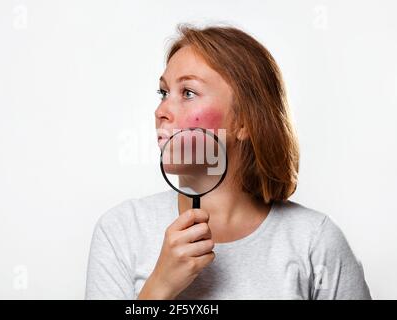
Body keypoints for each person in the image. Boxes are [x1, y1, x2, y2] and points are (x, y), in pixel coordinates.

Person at [85, 24, 372, 300]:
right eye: (163, 92)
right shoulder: (122, 230)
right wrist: (159, 287)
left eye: (188, 93)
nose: (161, 110)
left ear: (245, 122)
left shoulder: (315, 241)